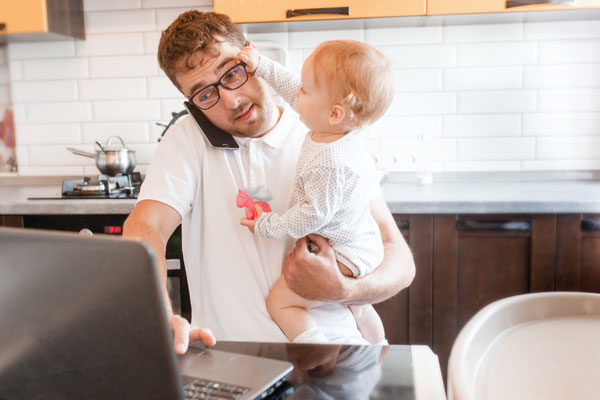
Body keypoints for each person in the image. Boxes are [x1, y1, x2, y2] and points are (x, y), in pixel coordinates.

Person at [122, 10, 415, 354]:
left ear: (251, 56)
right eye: (204, 94)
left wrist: (343, 290)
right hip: (231, 358)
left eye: (232, 72)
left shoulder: (328, 133)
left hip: (336, 353)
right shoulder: (186, 140)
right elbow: (145, 228)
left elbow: (398, 258)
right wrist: (158, 314)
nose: (231, 100)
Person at [237, 40, 393, 345]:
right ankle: (380, 348)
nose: (297, 93)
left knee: (281, 303)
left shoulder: (331, 163)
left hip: (347, 252)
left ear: (335, 112)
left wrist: (267, 225)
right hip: (361, 243)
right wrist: (261, 65)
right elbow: (291, 85)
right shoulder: (335, 127)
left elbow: (312, 216)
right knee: (357, 308)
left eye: (306, 90)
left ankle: (317, 350)